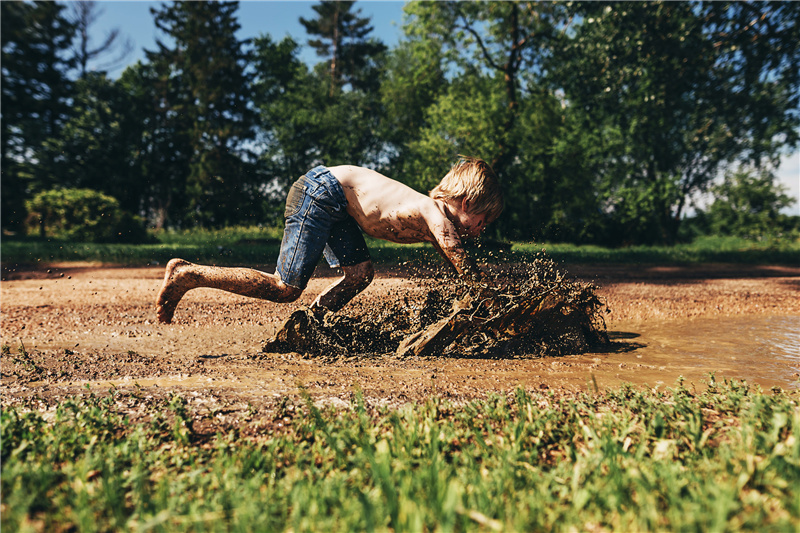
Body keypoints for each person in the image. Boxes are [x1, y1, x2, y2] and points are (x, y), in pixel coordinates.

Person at [156, 156, 504, 324]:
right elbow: (459, 259)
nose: (480, 229)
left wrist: (468, 300)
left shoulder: (434, 219)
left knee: (360, 274)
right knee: (284, 287)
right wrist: (493, 300)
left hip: (338, 205)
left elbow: (457, 273)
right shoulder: (434, 213)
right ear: (467, 203)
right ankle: (190, 273)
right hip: (322, 192)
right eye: (482, 221)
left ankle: (311, 323)